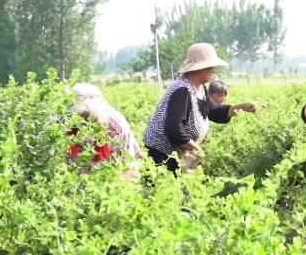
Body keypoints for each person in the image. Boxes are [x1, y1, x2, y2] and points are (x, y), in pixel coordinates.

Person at [144, 43, 247, 173]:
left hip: (177, 150)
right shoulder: (182, 90)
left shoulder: (199, 88)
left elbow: (212, 111)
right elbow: (173, 128)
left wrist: (239, 107)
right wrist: (197, 150)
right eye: (210, 66)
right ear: (198, 68)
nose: (213, 70)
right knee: (166, 184)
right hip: (162, 153)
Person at [68, 83, 143, 174]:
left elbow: (129, 167)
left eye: (88, 117)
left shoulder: (117, 127)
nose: (85, 123)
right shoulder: (66, 122)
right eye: (80, 116)